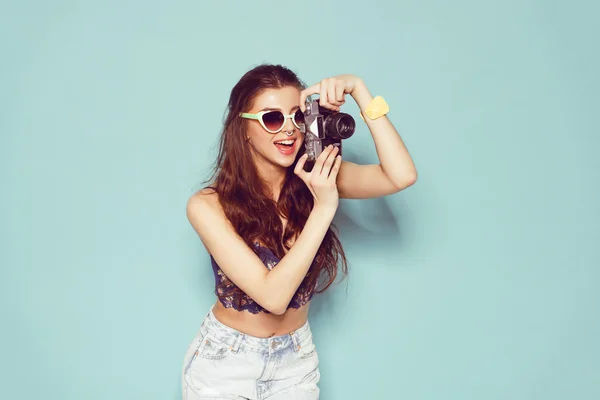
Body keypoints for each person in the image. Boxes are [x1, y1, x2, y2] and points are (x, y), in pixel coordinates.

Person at [181, 64, 417, 399]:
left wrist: (360, 90)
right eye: (272, 118)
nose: (290, 130)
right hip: (227, 364)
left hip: (296, 360)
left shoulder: (316, 176)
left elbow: (401, 175)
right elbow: (273, 297)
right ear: (243, 128)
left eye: (297, 116)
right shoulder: (207, 205)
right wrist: (324, 208)